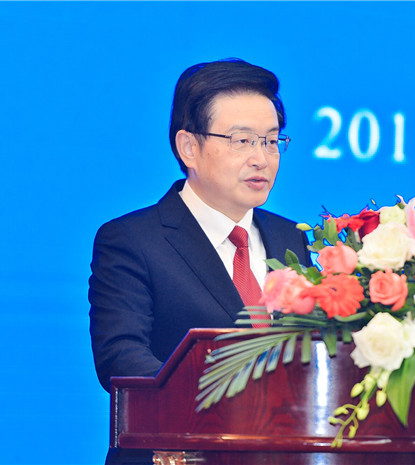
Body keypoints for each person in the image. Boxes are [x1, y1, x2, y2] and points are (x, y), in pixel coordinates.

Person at [88, 58, 311, 463]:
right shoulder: (132, 240)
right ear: (189, 147)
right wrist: (241, 402)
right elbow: (121, 357)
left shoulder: (291, 238)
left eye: (271, 140)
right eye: (242, 141)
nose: (262, 158)